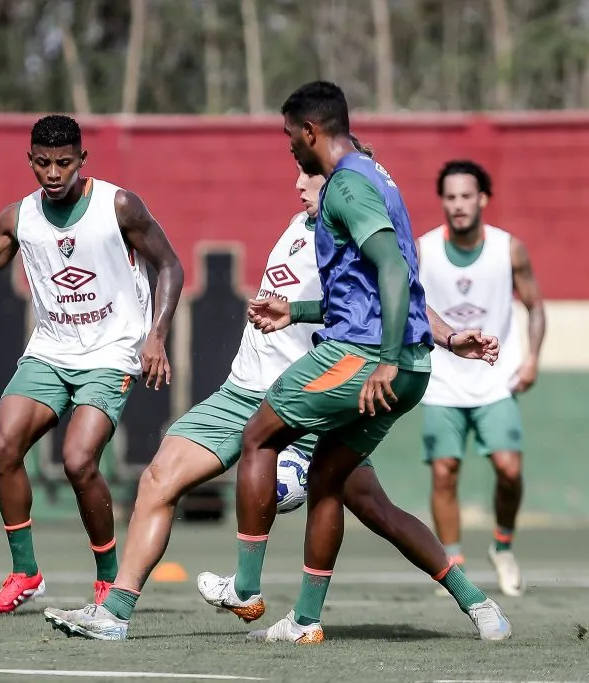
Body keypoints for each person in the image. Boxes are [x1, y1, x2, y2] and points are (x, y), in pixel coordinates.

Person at [41, 157, 502, 641]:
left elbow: (404, 297)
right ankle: (114, 614)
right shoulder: (300, 224)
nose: (298, 183)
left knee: (373, 508)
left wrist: (450, 338)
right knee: (158, 478)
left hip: (307, 399)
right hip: (241, 390)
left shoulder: (352, 232)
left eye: (310, 175)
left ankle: (474, 600)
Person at [225, 80, 511, 644]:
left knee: (258, 435)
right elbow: (368, 290)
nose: (290, 148)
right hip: (411, 365)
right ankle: (470, 606)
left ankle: (245, 588)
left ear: (311, 131)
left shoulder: (346, 186)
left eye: (290, 136)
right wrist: (296, 310)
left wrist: (382, 360)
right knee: (331, 481)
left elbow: (394, 270)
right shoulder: (377, 177)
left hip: (365, 358)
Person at [0, 114, 184, 612]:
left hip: (112, 352)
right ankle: (25, 572)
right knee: (3, 445)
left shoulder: (118, 205)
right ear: (30, 161)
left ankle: (109, 579)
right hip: (50, 351)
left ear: (82, 159)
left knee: (78, 460)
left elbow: (169, 264)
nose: (53, 173)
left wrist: (157, 335)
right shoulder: (19, 217)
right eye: (43, 162)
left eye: (64, 162)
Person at [418, 160, 545, 597]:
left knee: (509, 469)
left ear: (483, 199)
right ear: (443, 201)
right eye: (450, 197)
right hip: (442, 380)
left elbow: (535, 307)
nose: (458, 204)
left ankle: (502, 547)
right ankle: (452, 565)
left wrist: (532, 359)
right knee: (444, 471)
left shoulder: (509, 249)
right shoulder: (423, 250)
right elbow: (409, 307)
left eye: (466, 196)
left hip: (496, 378)